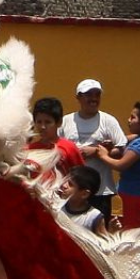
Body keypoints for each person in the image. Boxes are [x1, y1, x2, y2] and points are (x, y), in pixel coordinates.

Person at [59, 80, 126, 224]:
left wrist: (97, 152)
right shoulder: (66, 121)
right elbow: (55, 148)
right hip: (72, 191)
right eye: (88, 95)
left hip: (100, 191)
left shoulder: (108, 121)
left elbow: (121, 148)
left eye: (97, 95)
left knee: (99, 235)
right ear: (78, 98)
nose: (93, 99)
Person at [94, 102, 140, 232]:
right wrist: (117, 141)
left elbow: (121, 165)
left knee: (133, 233)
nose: (129, 120)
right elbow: (130, 139)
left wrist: (103, 155)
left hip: (138, 196)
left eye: (133, 117)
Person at [15, 95, 85, 207]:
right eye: (39, 122)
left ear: (59, 123)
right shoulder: (29, 150)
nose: (42, 126)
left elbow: (82, 178)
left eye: (48, 122)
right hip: (35, 204)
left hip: (63, 205)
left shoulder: (69, 148)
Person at [58, 167, 108, 235]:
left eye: (70, 184)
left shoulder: (93, 217)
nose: (64, 186)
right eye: (65, 181)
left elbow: (104, 242)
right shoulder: (57, 206)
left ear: (84, 194)